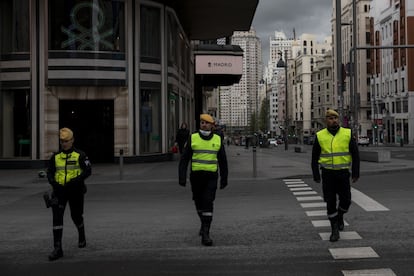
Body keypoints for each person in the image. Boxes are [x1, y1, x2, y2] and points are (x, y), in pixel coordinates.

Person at [178, 114, 228, 246]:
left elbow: (223, 161)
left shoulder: (217, 139)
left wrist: (224, 178)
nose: (203, 124)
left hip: (211, 177)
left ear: (212, 125)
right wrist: (182, 177)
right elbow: (184, 159)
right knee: (199, 202)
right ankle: (203, 222)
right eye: (201, 122)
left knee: (208, 202)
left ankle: (206, 232)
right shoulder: (193, 138)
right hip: (196, 177)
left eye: (206, 123)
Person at [311, 109, 360, 242]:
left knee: (346, 201)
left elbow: (355, 155)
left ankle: (340, 216)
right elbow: (314, 157)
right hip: (327, 174)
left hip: (343, 173)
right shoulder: (320, 135)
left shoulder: (347, 133)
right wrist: (316, 174)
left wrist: (355, 173)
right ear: (326, 120)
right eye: (330, 118)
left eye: (335, 118)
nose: (333, 120)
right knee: (330, 202)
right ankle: (334, 229)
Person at [46, 127, 92, 261]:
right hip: (59, 191)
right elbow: (49, 172)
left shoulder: (80, 155)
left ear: (72, 140)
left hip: (75, 191)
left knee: (76, 215)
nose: (64, 143)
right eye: (61, 141)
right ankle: (57, 248)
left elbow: (88, 170)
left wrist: (76, 181)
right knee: (57, 218)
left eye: (66, 141)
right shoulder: (55, 157)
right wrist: (53, 182)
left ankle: (81, 234)